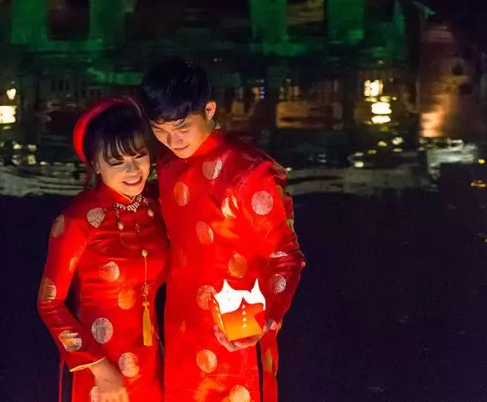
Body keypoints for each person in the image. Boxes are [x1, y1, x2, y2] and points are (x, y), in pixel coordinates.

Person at [139, 58, 305, 402]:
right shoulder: (168, 166)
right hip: (182, 330)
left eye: (182, 127)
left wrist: (266, 321)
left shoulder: (248, 173)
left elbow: (285, 257)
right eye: (160, 130)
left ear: (210, 109)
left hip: (238, 332)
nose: (172, 139)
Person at [38, 98, 168, 402]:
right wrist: (97, 366)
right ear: (96, 164)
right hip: (99, 367)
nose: (133, 170)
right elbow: (49, 303)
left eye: (139, 156)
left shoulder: (155, 208)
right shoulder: (78, 220)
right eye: (117, 162)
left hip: (151, 358)